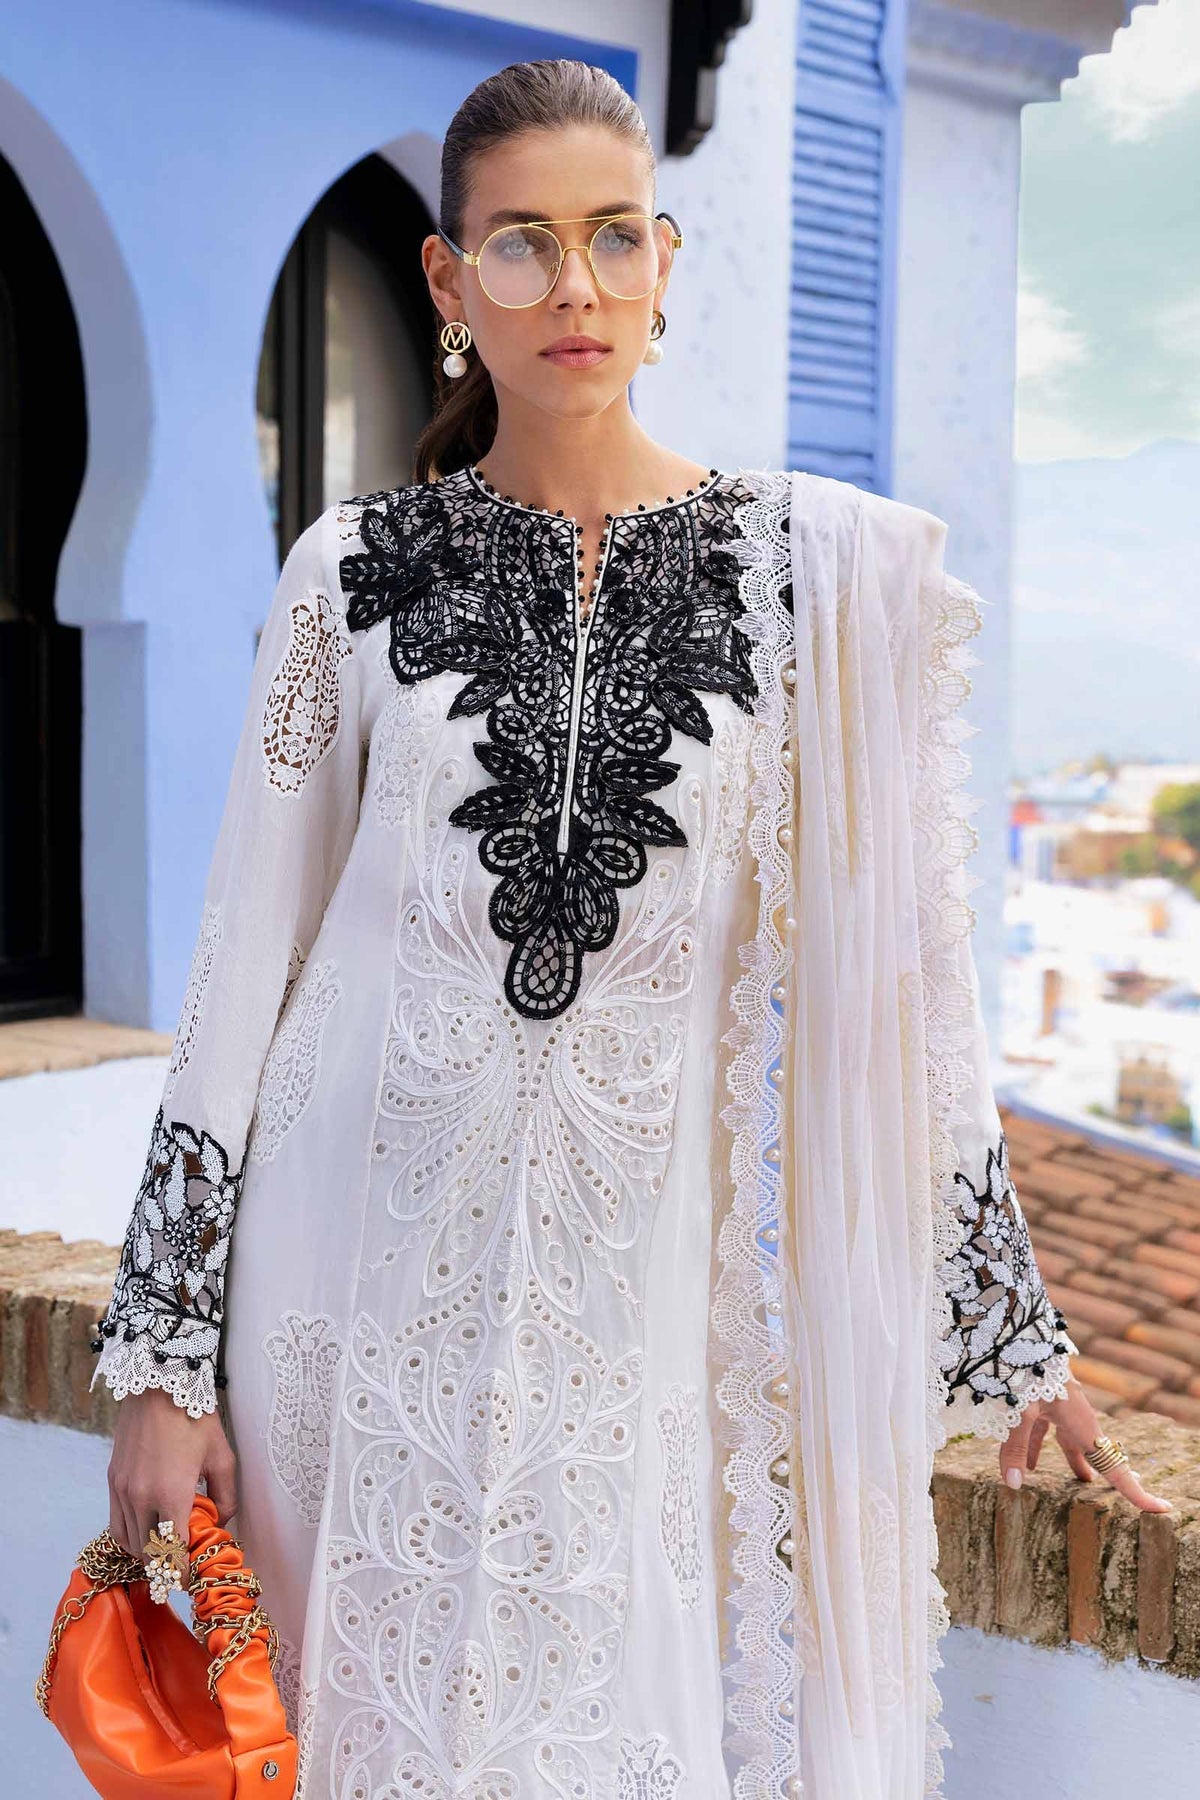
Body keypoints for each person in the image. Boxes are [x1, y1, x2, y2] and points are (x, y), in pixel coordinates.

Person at [92, 55, 1171, 1800]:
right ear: (450, 283)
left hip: (637, 1315)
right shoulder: (352, 574)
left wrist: (1007, 1323)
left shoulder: (807, 583)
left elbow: (908, 980)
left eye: (613, 237)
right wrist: (160, 1365)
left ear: (666, 262)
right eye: (521, 244)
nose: (573, 288)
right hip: (342, 1304)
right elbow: (237, 974)